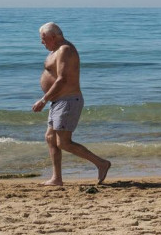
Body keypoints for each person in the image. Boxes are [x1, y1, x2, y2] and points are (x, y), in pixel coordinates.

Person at [31, 22, 111, 186]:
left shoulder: (65, 50)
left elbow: (62, 79)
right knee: (50, 138)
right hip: (58, 100)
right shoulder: (56, 50)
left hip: (68, 100)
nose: (42, 42)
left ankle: (101, 163)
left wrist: (44, 100)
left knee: (63, 142)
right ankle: (56, 178)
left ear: (53, 37)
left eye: (43, 39)